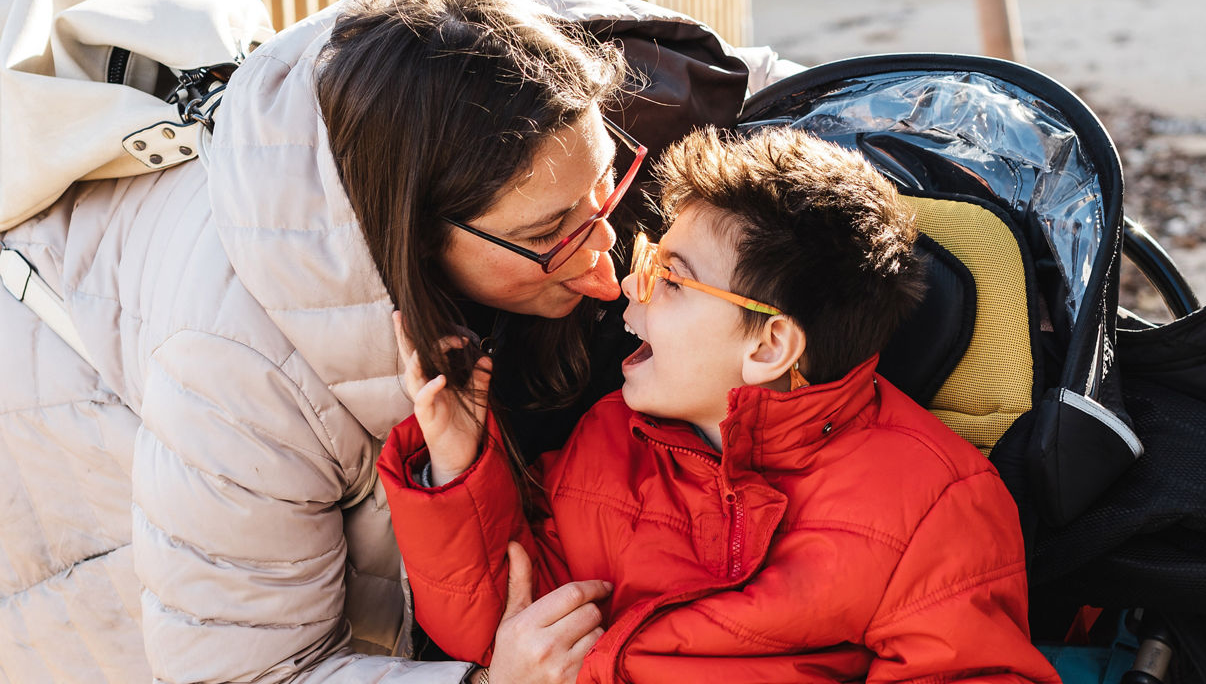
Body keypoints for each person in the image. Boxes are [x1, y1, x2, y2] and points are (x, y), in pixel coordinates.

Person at [0, 0, 752, 682]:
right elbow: (241, 666)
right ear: (415, 233)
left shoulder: (452, 78)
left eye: (604, 187)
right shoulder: (237, 374)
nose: (607, 263)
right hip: (64, 446)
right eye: (551, 233)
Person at [379, 126, 1065, 683]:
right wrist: (457, 458)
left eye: (669, 281)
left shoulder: (931, 501)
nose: (628, 290)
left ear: (768, 345)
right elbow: (502, 619)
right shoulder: (608, 441)